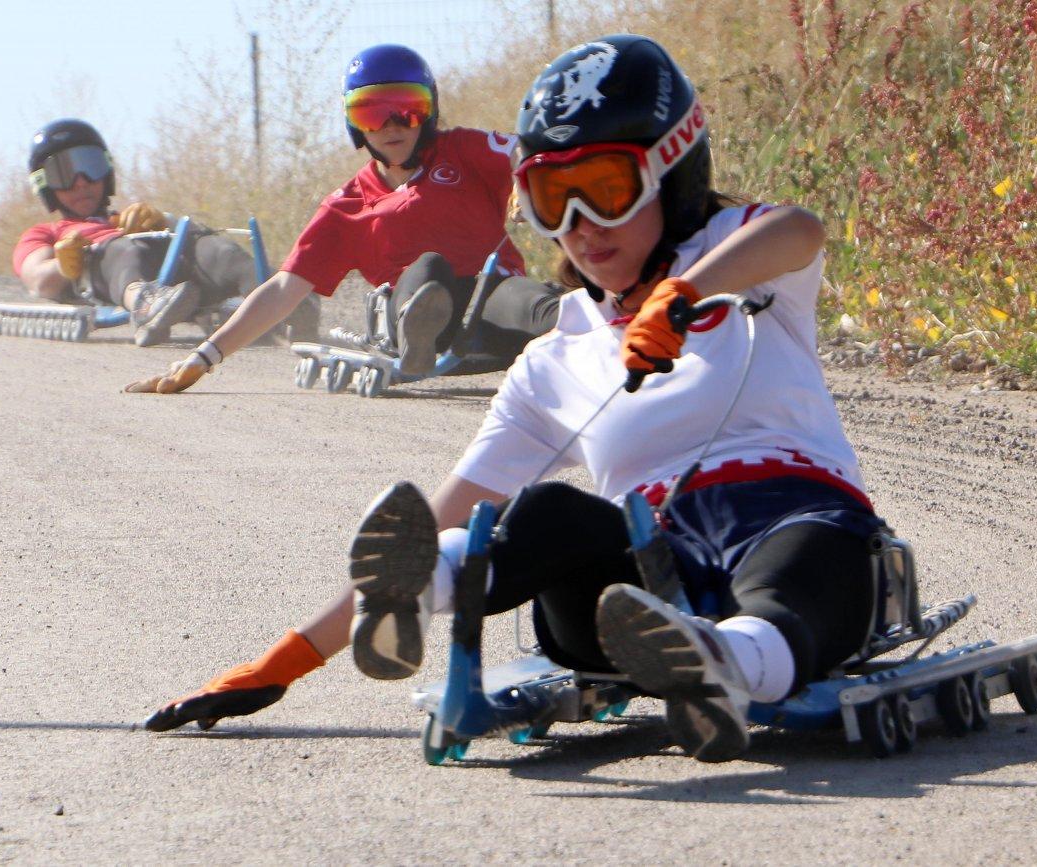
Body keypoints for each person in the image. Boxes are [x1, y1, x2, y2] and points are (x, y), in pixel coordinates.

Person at [145, 34, 883, 766]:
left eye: (605, 189)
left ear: (673, 172)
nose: (581, 227)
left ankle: (726, 661)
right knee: (544, 513)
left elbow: (800, 230)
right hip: (649, 575)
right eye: (552, 199)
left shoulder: (739, 261)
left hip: (794, 516)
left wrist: (684, 293)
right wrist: (283, 663)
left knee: (812, 557)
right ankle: (425, 586)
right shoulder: (554, 359)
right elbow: (444, 511)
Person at [124, 43, 563, 393]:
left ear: (429, 110)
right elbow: (282, 290)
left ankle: (594, 338)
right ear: (354, 123)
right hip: (412, 308)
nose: (391, 125)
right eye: (372, 113)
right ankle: (418, 336)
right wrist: (202, 359)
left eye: (407, 108)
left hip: (490, 297)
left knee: (544, 308)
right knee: (429, 268)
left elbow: (528, 149)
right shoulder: (345, 206)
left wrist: (526, 179)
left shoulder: (463, 150)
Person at [13, 118, 319, 347]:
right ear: (45, 186)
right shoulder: (46, 233)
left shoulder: (131, 217)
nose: (81, 181)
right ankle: (145, 303)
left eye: (90, 167)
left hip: (178, 279)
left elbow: (190, 241)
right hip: (108, 273)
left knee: (218, 250)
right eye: (64, 174)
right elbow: (36, 278)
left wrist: (165, 222)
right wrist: (67, 262)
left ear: (106, 171)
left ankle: (286, 299)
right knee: (122, 250)